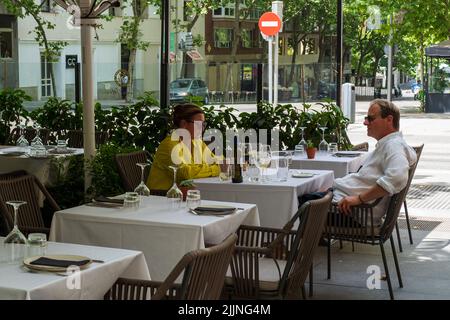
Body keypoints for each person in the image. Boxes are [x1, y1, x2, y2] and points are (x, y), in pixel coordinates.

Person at [299, 99, 417, 226]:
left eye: (370, 119)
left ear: (389, 120)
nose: (365, 122)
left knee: (294, 204)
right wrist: (334, 188)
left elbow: (397, 178)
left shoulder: (393, 146)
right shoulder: (390, 144)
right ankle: (310, 242)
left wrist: (358, 199)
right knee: (304, 196)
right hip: (344, 204)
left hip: (351, 213)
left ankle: (296, 245)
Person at [147, 104, 220, 191]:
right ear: (184, 124)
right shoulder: (169, 145)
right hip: (161, 196)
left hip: (184, 193)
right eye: (198, 124)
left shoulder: (196, 142)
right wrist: (217, 169)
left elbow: (215, 160)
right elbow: (185, 174)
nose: (202, 128)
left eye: (203, 124)